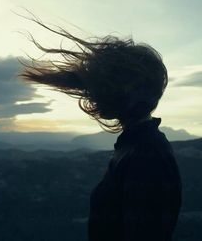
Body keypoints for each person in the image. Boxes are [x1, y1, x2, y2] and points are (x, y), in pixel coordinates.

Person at [18, 13, 182, 241]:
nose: (93, 94)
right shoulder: (138, 146)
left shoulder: (146, 154)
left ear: (133, 89)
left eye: (104, 83)